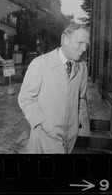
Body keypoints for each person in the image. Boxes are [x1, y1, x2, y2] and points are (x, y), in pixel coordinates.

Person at [18, 23, 90, 154]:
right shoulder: (40, 64)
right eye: (80, 43)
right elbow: (25, 98)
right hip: (44, 137)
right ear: (65, 39)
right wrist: (43, 124)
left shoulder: (82, 67)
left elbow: (81, 98)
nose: (84, 48)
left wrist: (78, 124)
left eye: (86, 44)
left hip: (70, 138)